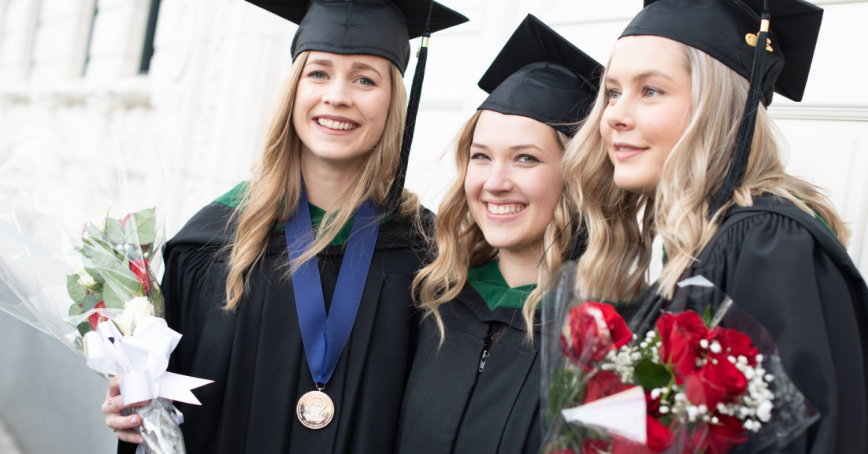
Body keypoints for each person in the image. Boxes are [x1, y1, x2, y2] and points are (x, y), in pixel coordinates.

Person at [100, 0, 466, 452]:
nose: (337, 95)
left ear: (393, 101)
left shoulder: (428, 255)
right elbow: (165, 409)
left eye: (365, 79)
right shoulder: (212, 241)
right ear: (293, 89)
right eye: (319, 73)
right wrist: (134, 402)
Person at [564, 0, 868, 452]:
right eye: (612, 91)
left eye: (650, 90)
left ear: (720, 106)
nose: (613, 115)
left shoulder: (766, 243)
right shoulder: (692, 244)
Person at [394, 15, 603, 454]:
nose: (495, 181)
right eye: (481, 156)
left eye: (525, 159)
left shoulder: (607, 330)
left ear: (576, 176)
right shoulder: (432, 299)